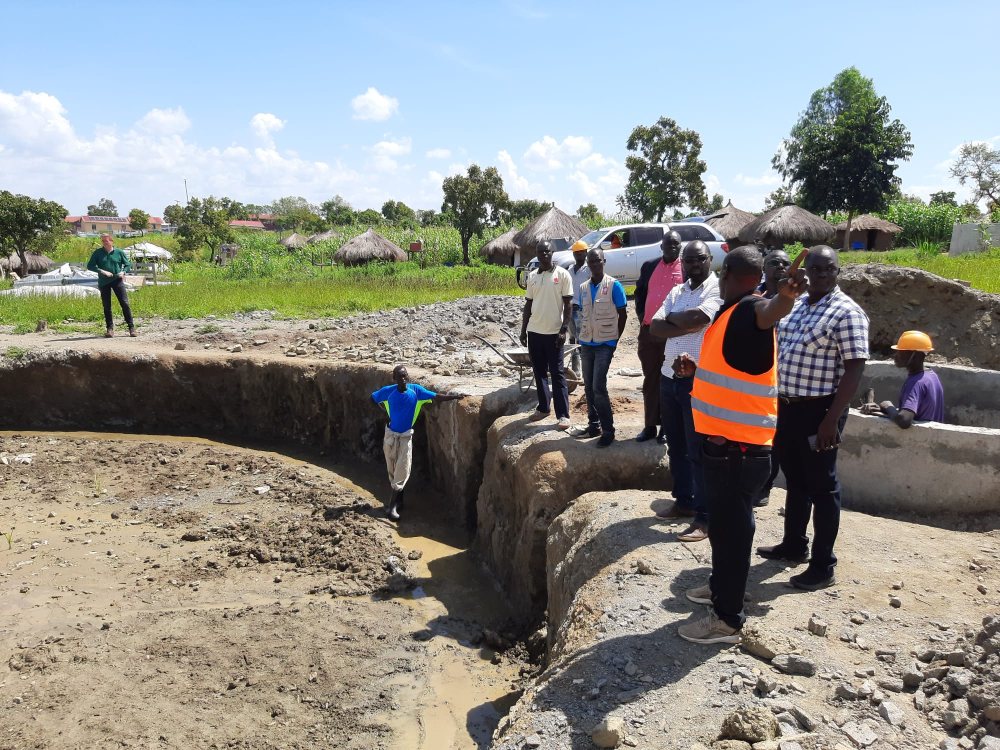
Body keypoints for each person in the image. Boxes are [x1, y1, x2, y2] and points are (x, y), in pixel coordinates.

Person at [675, 245, 806, 645]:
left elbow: (770, 313)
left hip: (739, 451)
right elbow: (733, 373)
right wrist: (697, 372)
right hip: (730, 449)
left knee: (733, 534)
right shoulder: (732, 315)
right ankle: (720, 590)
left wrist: (784, 297)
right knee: (726, 529)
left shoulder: (753, 308)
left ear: (726, 271)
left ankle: (727, 620)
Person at [757, 246, 869, 591]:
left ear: (837, 272)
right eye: (814, 269)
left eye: (827, 269)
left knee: (823, 486)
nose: (819, 274)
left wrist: (831, 420)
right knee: (795, 479)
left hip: (819, 411)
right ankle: (793, 546)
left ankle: (823, 566)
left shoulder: (847, 313)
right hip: (787, 407)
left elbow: (854, 370)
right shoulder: (798, 305)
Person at [650, 240, 722, 543]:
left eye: (699, 259)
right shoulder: (677, 291)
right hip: (669, 376)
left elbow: (701, 319)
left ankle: (704, 517)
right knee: (676, 445)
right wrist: (687, 324)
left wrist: (676, 321)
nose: (693, 265)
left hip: (698, 379)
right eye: (688, 260)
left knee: (697, 449)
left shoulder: (715, 289)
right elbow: (655, 327)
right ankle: (684, 501)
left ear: (709, 260)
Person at [371, 365, 465, 521]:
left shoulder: (415, 390)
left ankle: (391, 507)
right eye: (399, 376)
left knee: (403, 468)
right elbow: (372, 398)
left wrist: (455, 397)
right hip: (390, 435)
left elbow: (437, 396)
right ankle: (399, 500)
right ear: (394, 378)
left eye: (404, 375)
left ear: (407, 377)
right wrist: (384, 414)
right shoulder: (388, 391)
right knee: (393, 469)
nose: (402, 379)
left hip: (406, 436)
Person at [569, 249, 627, 447]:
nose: (594, 265)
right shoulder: (584, 287)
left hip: (604, 345)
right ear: (588, 263)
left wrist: (614, 340)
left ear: (604, 261)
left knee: (598, 387)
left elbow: (623, 314)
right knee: (589, 386)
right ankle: (593, 425)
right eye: (591, 261)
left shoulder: (613, 286)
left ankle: (608, 430)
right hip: (587, 343)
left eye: (597, 261)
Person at [634, 231, 684, 442]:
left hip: (672, 334)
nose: (672, 247)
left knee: (670, 379)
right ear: (661, 246)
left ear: (680, 247)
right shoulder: (649, 266)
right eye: (668, 244)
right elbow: (639, 294)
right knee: (650, 379)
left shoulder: (686, 269)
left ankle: (667, 426)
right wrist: (642, 318)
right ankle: (649, 426)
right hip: (649, 332)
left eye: (676, 244)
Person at [520, 240, 574, 430]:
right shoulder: (533, 276)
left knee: (558, 373)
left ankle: (563, 415)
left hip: (553, 333)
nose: (544, 254)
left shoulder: (563, 275)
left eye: (547, 251)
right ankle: (543, 408)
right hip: (535, 331)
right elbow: (528, 305)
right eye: (541, 252)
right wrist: (523, 329)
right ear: (537, 253)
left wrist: (563, 329)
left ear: (553, 253)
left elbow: (568, 305)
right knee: (539, 372)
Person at [752, 248, 791, 507]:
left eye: (785, 263)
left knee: (777, 438)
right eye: (774, 262)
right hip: (756, 376)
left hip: (785, 380)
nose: (780, 266)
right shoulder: (755, 296)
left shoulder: (797, 299)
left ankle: (766, 486)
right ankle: (755, 483)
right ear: (764, 268)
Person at [860, 330, 944, 427]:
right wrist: (882, 409)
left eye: (901, 352)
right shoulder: (931, 376)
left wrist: (888, 406)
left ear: (915, 355)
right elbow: (920, 413)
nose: (896, 356)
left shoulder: (916, 383)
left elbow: (904, 420)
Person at [87, 234, 136, 338]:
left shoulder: (119, 252)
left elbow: (127, 264)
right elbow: (90, 266)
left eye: (107, 240)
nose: (105, 242)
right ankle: (110, 329)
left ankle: (131, 328)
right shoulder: (98, 253)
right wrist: (102, 271)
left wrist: (123, 272)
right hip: (104, 282)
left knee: (125, 303)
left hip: (117, 280)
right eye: (103, 241)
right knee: (107, 306)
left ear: (112, 241)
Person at [567, 240, 591, 378]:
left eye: (581, 252)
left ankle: (586, 370)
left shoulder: (589, 269)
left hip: (583, 309)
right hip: (570, 307)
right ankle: (576, 371)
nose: (578, 255)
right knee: (572, 340)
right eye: (576, 253)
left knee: (582, 340)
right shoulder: (570, 269)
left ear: (586, 253)